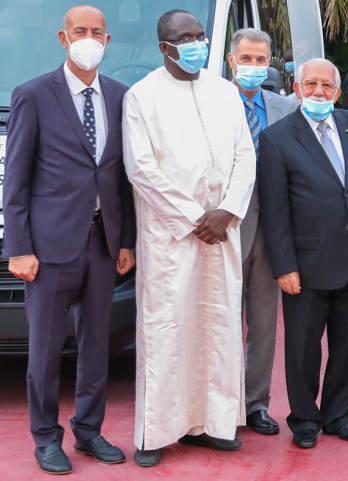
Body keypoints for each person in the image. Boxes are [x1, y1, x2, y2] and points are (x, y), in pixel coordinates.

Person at [3, 5, 134, 474]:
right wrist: (18, 246)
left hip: (102, 244)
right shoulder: (34, 95)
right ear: (63, 38)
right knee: (44, 349)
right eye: (80, 31)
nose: (89, 38)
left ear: (108, 39)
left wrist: (126, 241)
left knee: (97, 345)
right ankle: (45, 437)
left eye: (97, 32)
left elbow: (122, 179)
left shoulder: (121, 98)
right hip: (49, 248)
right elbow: (14, 181)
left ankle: (89, 431)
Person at [122, 10, 256, 467]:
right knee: (168, 332)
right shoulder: (142, 97)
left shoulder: (224, 91)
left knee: (218, 328)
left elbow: (244, 154)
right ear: (165, 47)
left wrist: (228, 211)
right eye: (186, 38)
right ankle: (156, 433)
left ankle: (211, 425)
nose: (197, 43)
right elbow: (141, 168)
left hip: (222, 233)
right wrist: (195, 218)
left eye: (200, 35)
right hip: (171, 237)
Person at [258, 58, 348, 450]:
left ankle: (339, 414)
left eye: (326, 86)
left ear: (337, 91)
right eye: (310, 85)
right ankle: (305, 419)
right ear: (296, 89)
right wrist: (285, 266)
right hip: (305, 263)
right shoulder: (277, 138)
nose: (318, 92)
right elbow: (274, 210)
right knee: (303, 347)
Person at [228, 27, 298, 437]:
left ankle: (256, 403)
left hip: (271, 231)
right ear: (231, 61)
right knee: (223, 321)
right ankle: (224, 403)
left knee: (264, 322)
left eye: (261, 59)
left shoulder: (284, 108)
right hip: (226, 229)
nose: (254, 66)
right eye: (246, 59)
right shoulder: (215, 103)